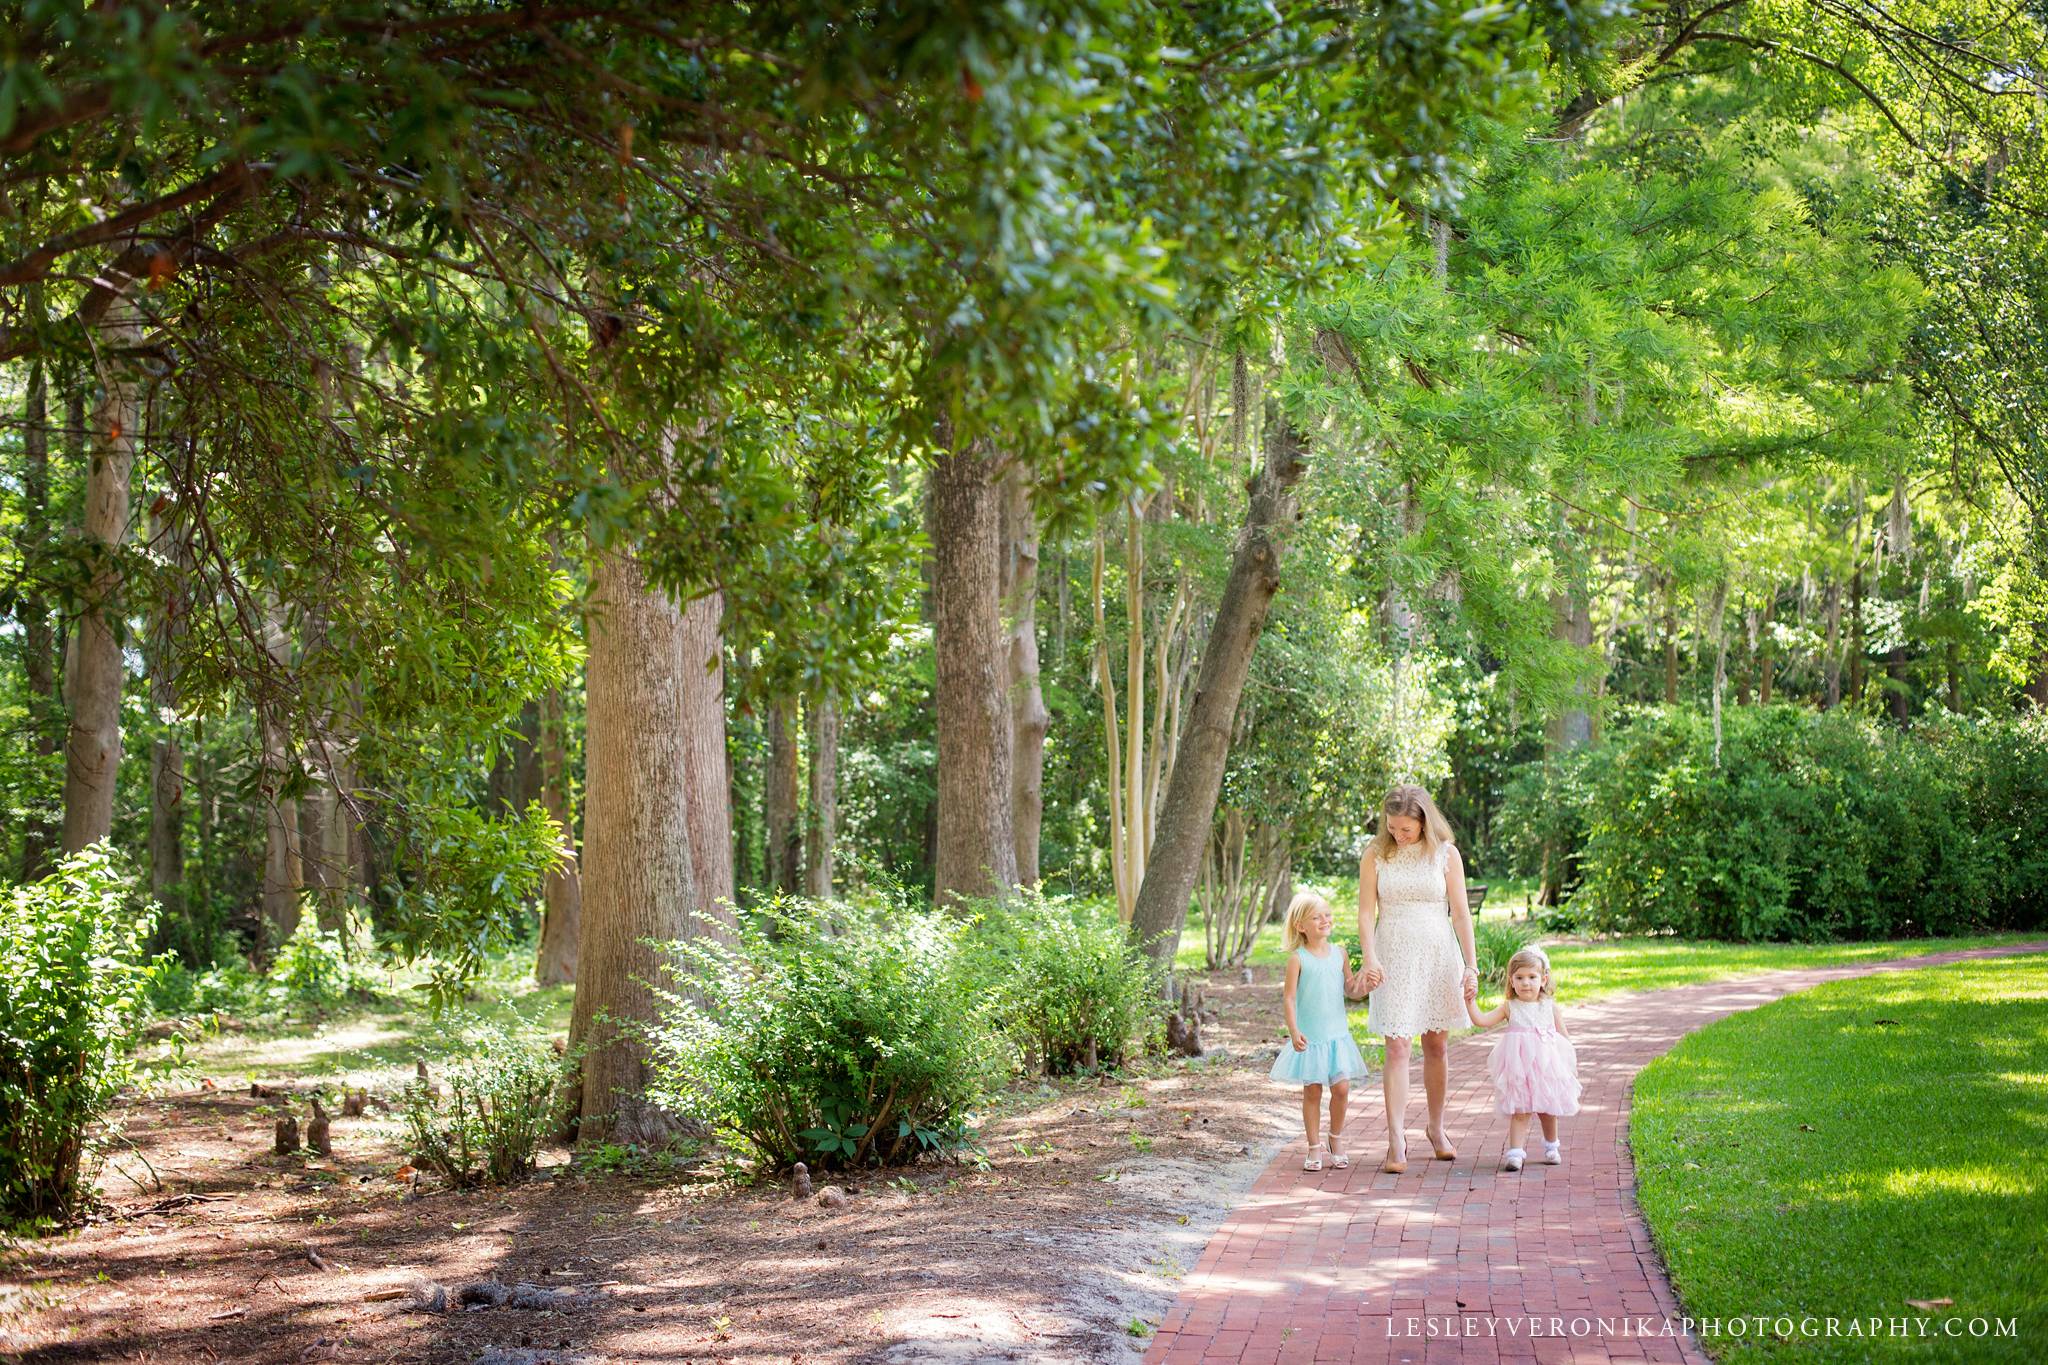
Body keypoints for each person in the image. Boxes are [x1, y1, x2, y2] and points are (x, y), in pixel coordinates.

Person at [1351, 784, 1479, 1174]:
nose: (1398, 834)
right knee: (1397, 1047)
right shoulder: (1375, 856)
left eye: (1406, 829)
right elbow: (1365, 913)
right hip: (1393, 954)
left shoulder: (1446, 855)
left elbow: (1460, 913)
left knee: (1437, 1045)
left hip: (1439, 953)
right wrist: (1369, 958)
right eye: (1392, 827)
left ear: (1424, 822)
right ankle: (1395, 1137)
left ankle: (1437, 1129)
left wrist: (1470, 965)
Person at [1270, 891, 1371, 1171]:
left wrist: (1365, 986)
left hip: (1337, 1037)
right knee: (1312, 1091)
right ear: (1300, 926)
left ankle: (1335, 1138)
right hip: (1311, 1038)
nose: (1324, 920)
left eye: (1327, 914)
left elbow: (1350, 989)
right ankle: (1314, 1146)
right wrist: (1293, 1030)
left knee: (1342, 1088)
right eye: (1316, 917)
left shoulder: (1340, 954)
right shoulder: (1298, 959)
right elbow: (1289, 998)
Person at [1466, 945, 1580, 1171]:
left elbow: (1565, 1039)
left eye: (1532, 977)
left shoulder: (1550, 1007)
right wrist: (1470, 1002)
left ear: (1543, 979)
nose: (1526, 983)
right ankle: (1515, 1153)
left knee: (1548, 1110)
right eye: (1519, 977)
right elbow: (1482, 1020)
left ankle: (1551, 1147)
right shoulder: (1510, 1007)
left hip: (1547, 1068)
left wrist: (1567, 1065)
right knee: (1521, 1110)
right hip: (1519, 1070)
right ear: (1511, 981)